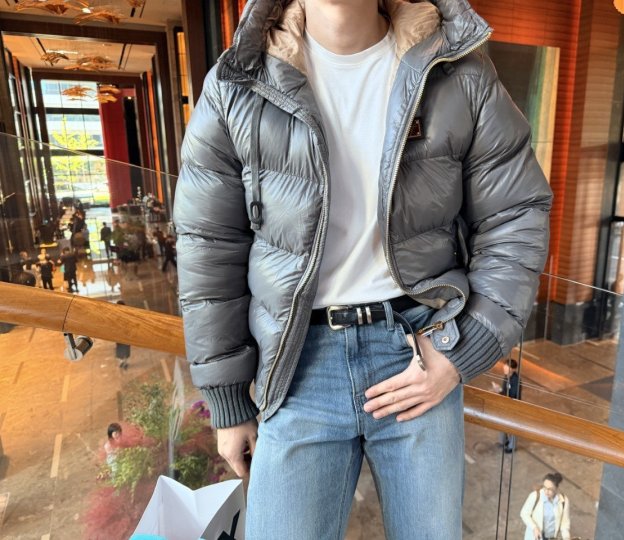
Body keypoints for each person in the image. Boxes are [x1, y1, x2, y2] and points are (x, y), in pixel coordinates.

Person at [174, 0, 552, 537]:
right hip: (295, 364)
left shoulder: (457, 70)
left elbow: (516, 212)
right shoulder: (238, 82)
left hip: (417, 352)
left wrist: (460, 349)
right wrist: (229, 400)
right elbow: (208, 246)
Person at [520, 472, 571, 540]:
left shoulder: (564, 501)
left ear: (556, 488)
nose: (546, 491)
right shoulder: (535, 496)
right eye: (544, 487)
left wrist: (566, 537)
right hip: (535, 537)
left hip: (551, 537)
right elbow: (524, 514)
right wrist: (534, 527)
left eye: (550, 489)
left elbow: (565, 524)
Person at [492, 358, 521, 452]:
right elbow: (505, 391)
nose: (504, 369)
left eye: (507, 368)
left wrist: (500, 391)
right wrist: (499, 390)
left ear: (513, 369)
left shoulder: (516, 381)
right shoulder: (506, 376)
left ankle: (512, 447)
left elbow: (512, 396)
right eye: (504, 367)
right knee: (502, 423)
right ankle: (503, 441)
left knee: (512, 427)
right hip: (505, 404)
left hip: (513, 406)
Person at [114, 301, 131, 369]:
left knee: (120, 348)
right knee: (126, 348)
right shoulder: (126, 314)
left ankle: (122, 362)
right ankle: (124, 362)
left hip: (120, 335)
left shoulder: (116, 314)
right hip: (125, 334)